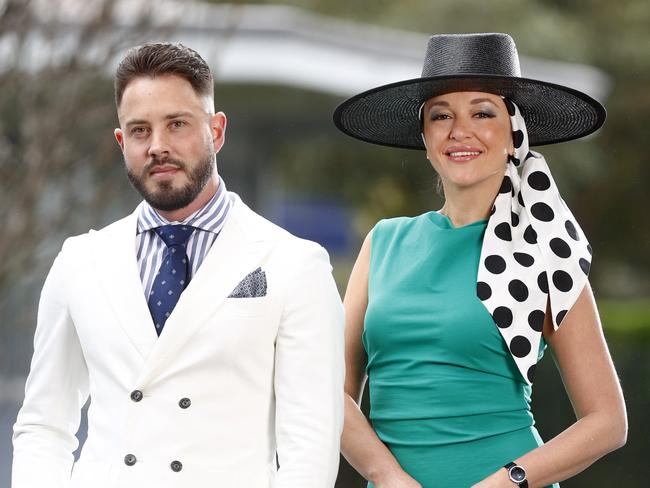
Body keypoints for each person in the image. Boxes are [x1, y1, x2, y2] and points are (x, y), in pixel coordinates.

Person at [12, 42, 344, 488]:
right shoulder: (80, 261)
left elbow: (310, 446)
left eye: (178, 124)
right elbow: (43, 425)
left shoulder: (294, 264)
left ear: (217, 130)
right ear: (121, 141)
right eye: (140, 130)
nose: (158, 146)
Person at [334, 33, 627, 488]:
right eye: (441, 115)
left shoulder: (544, 249)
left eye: (482, 112)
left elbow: (607, 421)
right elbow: (332, 391)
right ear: (426, 138)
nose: (459, 130)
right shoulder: (384, 241)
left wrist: (505, 482)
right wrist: (387, 476)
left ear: (514, 135)